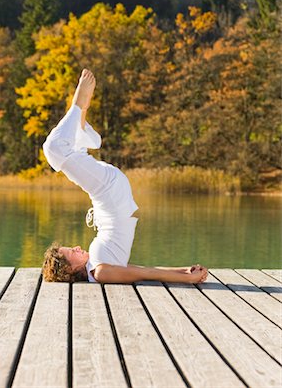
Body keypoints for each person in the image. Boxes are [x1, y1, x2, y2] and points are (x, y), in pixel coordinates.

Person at [42, 69, 208, 284]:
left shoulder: (97, 267)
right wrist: (186, 278)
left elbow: (138, 269)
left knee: (74, 151)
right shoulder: (101, 273)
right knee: (54, 148)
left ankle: (82, 111)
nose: (75, 247)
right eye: (70, 253)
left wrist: (183, 270)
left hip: (109, 195)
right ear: (70, 269)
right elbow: (141, 273)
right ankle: (78, 105)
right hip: (109, 193)